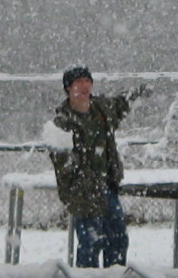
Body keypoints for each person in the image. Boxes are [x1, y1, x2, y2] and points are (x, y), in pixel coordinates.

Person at [49, 66, 150, 268]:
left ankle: (115, 274)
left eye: (88, 81)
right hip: (83, 193)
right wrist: (84, 180)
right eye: (79, 82)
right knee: (91, 243)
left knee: (118, 239)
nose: (85, 86)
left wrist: (138, 93)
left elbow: (120, 105)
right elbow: (63, 164)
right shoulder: (62, 123)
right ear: (68, 88)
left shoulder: (101, 109)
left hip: (107, 187)